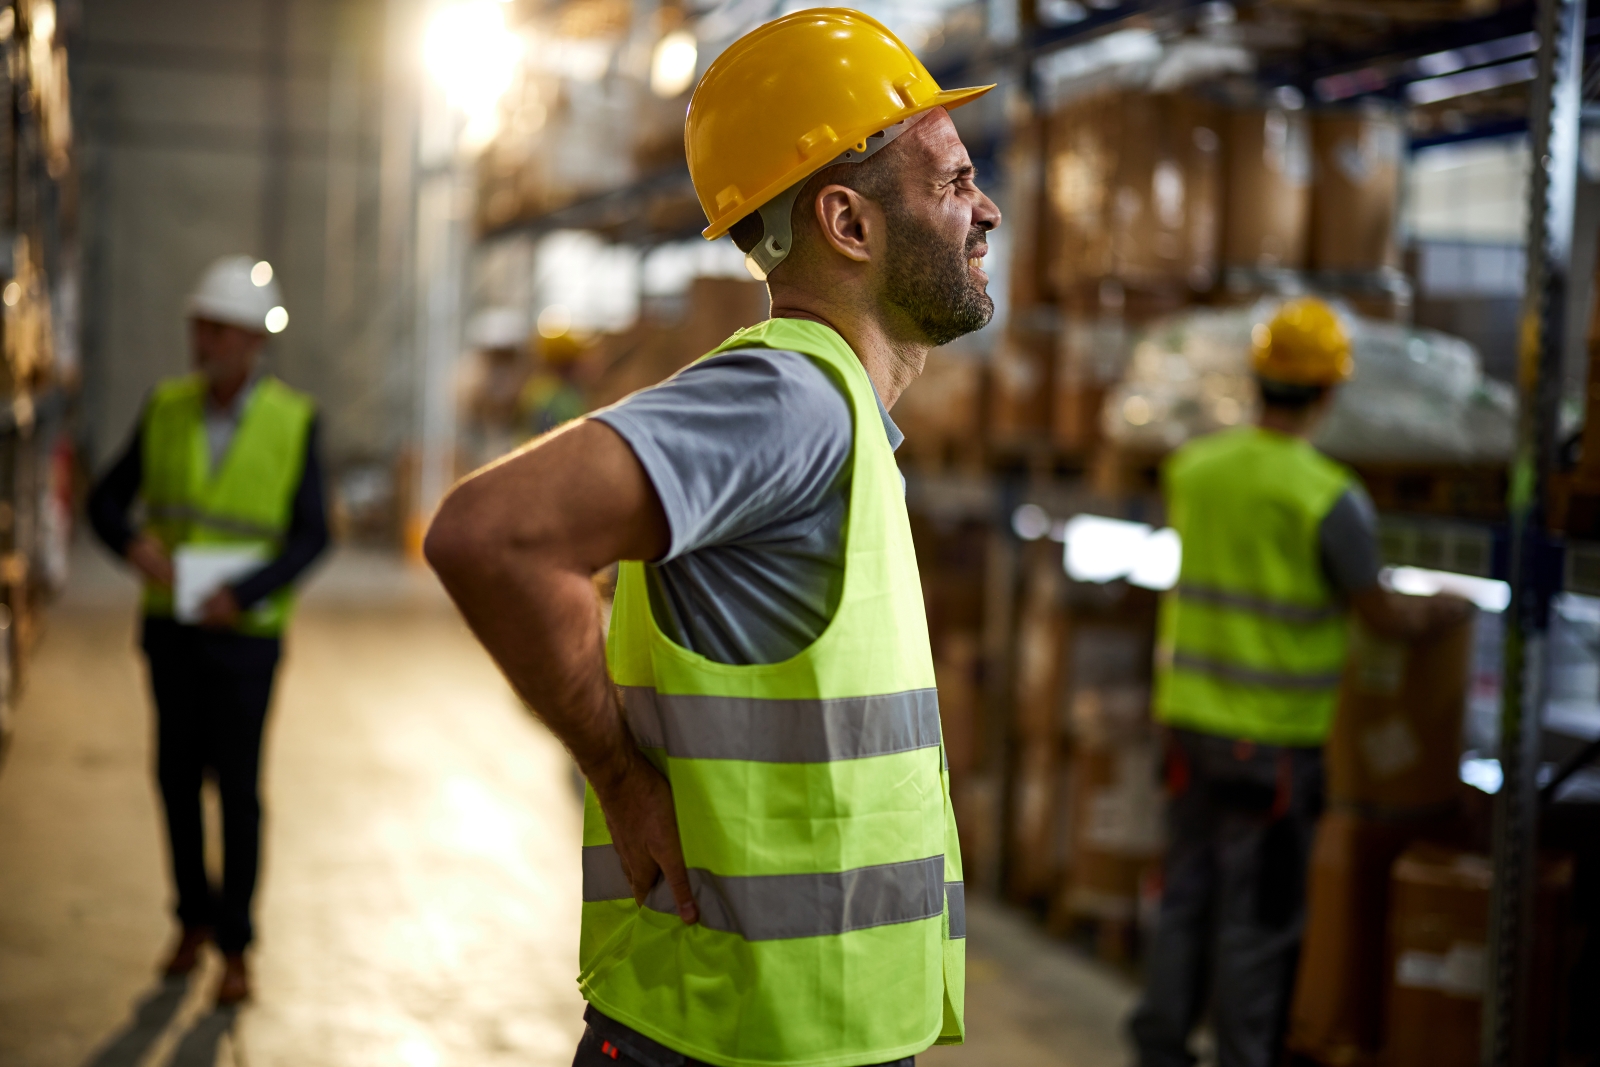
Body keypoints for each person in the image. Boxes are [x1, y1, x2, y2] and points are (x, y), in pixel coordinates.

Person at [425, 10, 996, 1066]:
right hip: (730, 1035)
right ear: (848, 222)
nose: (985, 208)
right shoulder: (793, 397)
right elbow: (488, 532)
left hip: (784, 1025)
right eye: (954, 181)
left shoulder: (838, 421)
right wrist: (620, 773)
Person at [1128, 297, 1473, 1067]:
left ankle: (1160, 1049)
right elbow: (1380, 613)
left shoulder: (1195, 468)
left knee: (1186, 895)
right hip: (1274, 746)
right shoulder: (1328, 496)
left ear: (1258, 379)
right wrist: (1444, 611)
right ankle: (1244, 1055)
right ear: (1328, 392)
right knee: (1258, 917)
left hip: (1189, 725)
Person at [87, 255, 330, 1006]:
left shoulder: (295, 421)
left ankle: (236, 946)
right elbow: (105, 500)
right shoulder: (165, 408)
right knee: (175, 781)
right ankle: (190, 920)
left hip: (246, 640)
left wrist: (245, 593)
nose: (204, 340)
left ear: (254, 339)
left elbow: (312, 535)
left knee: (240, 791)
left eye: (218, 328)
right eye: (200, 325)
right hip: (172, 634)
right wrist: (133, 546)